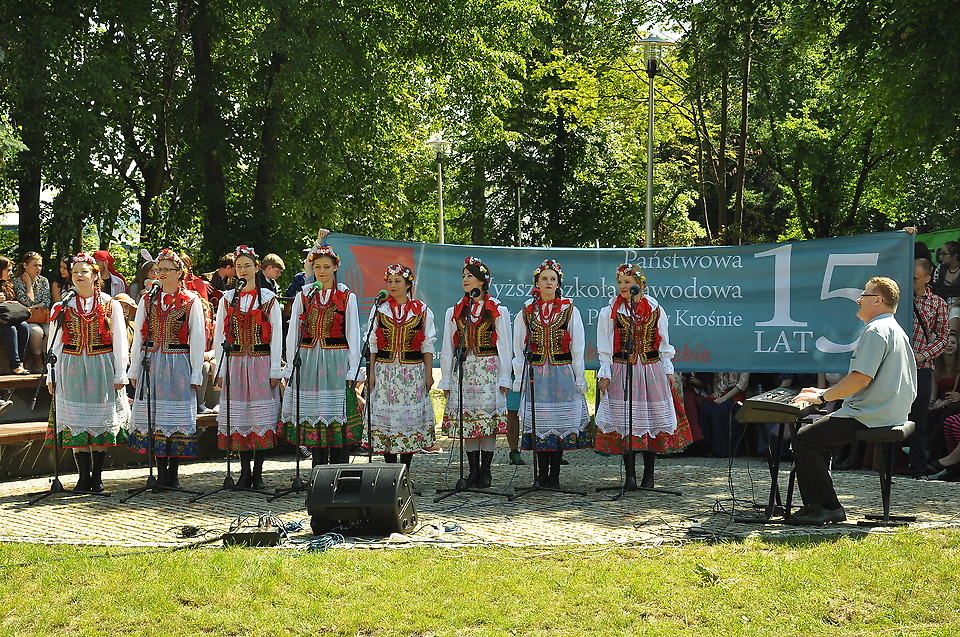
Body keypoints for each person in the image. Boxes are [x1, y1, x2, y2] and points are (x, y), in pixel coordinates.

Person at [792, 276, 917, 524]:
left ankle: (828, 507)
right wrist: (823, 393)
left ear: (878, 300)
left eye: (864, 295)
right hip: (889, 410)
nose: (858, 300)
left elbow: (860, 379)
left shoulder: (875, 330)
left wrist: (821, 397)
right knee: (817, 438)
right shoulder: (893, 328)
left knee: (805, 439)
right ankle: (819, 503)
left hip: (871, 414)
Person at [594, 264, 692, 488]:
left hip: (651, 370)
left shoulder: (655, 308)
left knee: (651, 419)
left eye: (627, 282)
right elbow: (605, 346)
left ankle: (649, 476)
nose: (623, 287)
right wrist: (605, 372)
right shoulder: (610, 311)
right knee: (626, 420)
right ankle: (630, 476)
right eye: (620, 282)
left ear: (640, 285)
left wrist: (668, 370)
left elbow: (664, 342)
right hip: (623, 369)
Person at [45, 253, 130, 492]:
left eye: (84, 271)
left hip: (101, 365)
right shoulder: (62, 305)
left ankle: (97, 476)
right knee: (76, 419)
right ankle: (83, 477)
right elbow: (55, 343)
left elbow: (120, 341)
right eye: (75, 272)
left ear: (95, 275)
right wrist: (52, 374)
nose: (79, 276)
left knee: (100, 419)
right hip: (71, 365)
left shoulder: (110, 304)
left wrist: (120, 372)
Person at [126, 249, 206, 489]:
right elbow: (139, 338)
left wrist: (196, 372)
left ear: (179, 272)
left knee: (176, 417)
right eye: (158, 269)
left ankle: (174, 472)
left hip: (178, 362)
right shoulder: (148, 300)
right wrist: (134, 369)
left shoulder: (191, 300)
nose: (160, 273)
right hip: (152, 362)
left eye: (166, 270)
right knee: (155, 416)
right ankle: (160, 472)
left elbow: (197, 338)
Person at [279, 244, 363, 465]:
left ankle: (338, 469)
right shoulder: (304, 295)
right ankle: (318, 467)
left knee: (336, 415)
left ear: (335, 267)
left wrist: (353, 369)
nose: (322, 271)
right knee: (314, 414)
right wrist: (291, 365)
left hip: (336, 360)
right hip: (308, 361)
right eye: (317, 267)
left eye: (326, 266)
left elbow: (353, 334)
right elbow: (293, 333)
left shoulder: (346, 296)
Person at [511, 259, 591, 487]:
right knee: (540, 423)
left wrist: (579, 377)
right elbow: (518, 346)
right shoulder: (527, 311)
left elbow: (577, 347)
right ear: (536, 283)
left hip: (561, 373)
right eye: (544, 278)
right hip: (536, 374)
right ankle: (540, 475)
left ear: (558, 284)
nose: (548, 282)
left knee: (558, 424)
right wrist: (520, 377)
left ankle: (554, 475)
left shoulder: (569, 310)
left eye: (552, 279)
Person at [211, 245, 283, 489]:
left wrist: (275, 369)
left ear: (257, 267)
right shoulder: (228, 299)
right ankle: (244, 472)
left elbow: (277, 336)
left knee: (260, 418)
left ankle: (258, 473)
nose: (243, 270)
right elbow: (220, 336)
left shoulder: (268, 298)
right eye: (239, 266)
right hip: (235, 362)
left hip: (260, 362)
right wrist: (220, 369)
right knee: (240, 418)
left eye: (247, 266)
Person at [438, 257, 512, 488]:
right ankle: (472, 471)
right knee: (469, 422)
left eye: (470, 276)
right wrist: (447, 379)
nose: (465, 280)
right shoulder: (456, 310)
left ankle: (486, 472)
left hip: (489, 371)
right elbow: (448, 347)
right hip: (465, 371)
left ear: (482, 280)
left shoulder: (497, 309)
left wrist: (505, 375)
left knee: (486, 422)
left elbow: (504, 345)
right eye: (463, 276)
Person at [366, 263, 437, 471]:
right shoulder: (380, 309)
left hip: (411, 373)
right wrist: (371, 373)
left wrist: (428, 374)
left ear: (408, 284)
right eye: (389, 281)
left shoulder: (421, 310)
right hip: (384, 372)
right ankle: (390, 471)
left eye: (397, 281)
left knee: (407, 421)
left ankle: (405, 471)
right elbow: (372, 344)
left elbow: (427, 345)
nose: (392, 285)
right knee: (387, 421)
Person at [908, 258, 949, 477]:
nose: (910, 279)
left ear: (927, 278)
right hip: (894, 366)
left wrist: (922, 355)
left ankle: (917, 470)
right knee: (890, 417)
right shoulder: (897, 298)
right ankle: (886, 468)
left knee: (919, 419)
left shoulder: (938, 304)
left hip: (921, 367)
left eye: (914, 277)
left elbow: (943, 338)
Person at [12, 251, 52, 372]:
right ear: (25, 265)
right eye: (35, 265)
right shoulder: (16, 282)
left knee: (49, 331)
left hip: (42, 316)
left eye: (40, 265)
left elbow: (47, 301)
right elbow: (27, 302)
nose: (38, 268)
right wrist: (29, 284)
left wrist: (34, 306)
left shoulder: (43, 281)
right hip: (27, 318)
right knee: (36, 332)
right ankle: (38, 360)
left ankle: (43, 359)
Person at [0, 256, 30, 374]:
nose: (11, 273)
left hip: (4, 319)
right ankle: (15, 365)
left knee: (23, 326)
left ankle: (20, 363)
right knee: (10, 329)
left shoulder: (6, 285)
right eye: (8, 270)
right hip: (3, 324)